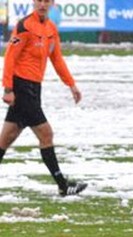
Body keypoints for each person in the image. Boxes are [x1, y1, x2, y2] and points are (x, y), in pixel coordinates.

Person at [1, 0, 86, 196]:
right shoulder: (24, 26)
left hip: (34, 88)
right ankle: (63, 185)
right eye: (39, 0)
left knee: (6, 138)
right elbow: (10, 57)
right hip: (22, 87)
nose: (42, 4)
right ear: (33, 2)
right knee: (46, 134)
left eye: (46, 1)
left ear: (52, 4)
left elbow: (57, 59)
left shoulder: (51, 28)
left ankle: (63, 185)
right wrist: (8, 89)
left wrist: (71, 84)